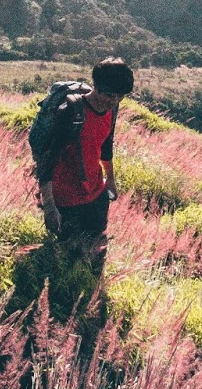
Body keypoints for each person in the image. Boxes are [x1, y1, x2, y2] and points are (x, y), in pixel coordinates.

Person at [37, 58, 133, 257]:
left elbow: (105, 145)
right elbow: (47, 160)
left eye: (120, 97)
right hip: (66, 198)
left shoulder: (111, 109)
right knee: (67, 254)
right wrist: (49, 206)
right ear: (96, 87)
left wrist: (110, 180)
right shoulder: (70, 113)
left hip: (96, 192)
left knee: (96, 248)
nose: (114, 101)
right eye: (109, 95)